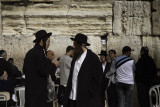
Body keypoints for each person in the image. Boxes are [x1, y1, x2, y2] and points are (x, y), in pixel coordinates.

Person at [63, 33, 103, 107]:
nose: (73, 46)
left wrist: (89, 92)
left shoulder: (93, 58)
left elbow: (98, 79)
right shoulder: (75, 58)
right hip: (71, 97)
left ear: (81, 45)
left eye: (75, 44)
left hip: (85, 99)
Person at [23, 30, 60, 107]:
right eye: (48, 41)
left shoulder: (30, 52)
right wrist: (54, 65)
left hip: (30, 90)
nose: (49, 44)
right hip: (38, 91)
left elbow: (24, 70)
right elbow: (44, 70)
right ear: (41, 41)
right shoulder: (40, 53)